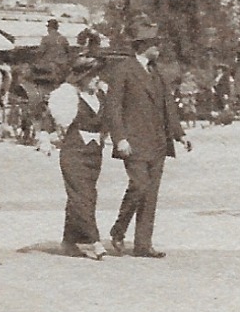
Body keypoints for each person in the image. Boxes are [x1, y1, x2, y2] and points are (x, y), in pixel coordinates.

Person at [102, 22, 190, 258]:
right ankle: (119, 229)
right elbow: (113, 107)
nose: (159, 47)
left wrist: (180, 134)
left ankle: (143, 244)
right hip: (133, 143)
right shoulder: (123, 70)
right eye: (155, 43)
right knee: (139, 186)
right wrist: (119, 138)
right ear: (144, 46)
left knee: (151, 194)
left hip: (158, 142)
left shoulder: (156, 72)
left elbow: (167, 106)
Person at [49, 55, 109, 259]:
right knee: (81, 196)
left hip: (94, 153)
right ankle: (95, 241)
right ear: (82, 77)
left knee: (86, 196)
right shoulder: (68, 97)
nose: (96, 79)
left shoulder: (101, 96)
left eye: (97, 75)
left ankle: (69, 241)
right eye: (92, 75)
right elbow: (50, 120)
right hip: (73, 151)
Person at [37, 18, 71, 82]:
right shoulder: (63, 38)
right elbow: (68, 51)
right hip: (63, 65)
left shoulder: (46, 39)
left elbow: (41, 52)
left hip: (50, 65)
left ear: (49, 28)